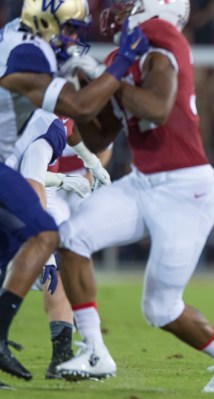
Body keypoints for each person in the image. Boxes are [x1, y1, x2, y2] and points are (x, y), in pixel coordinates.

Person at [55, 0, 214, 393]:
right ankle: (95, 350)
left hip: (185, 190)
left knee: (160, 309)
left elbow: (158, 108)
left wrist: (103, 73)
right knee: (70, 237)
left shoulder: (162, 37)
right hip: (142, 181)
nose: (115, 8)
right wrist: (79, 88)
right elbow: (99, 137)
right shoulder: (122, 54)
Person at [0, 0, 148, 381]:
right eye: (67, 30)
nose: (72, 40)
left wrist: (90, 161)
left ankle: (52, 350)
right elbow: (78, 107)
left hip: (17, 167)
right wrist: (120, 64)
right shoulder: (30, 54)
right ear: (45, 21)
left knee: (15, 252)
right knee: (47, 237)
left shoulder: (22, 40)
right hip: (13, 169)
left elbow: (68, 125)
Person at [1, 111, 111, 381]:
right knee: (49, 260)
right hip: (16, 190)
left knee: (59, 264)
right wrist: (44, 250)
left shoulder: (48, 115)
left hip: (15, 187)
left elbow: (68, 127)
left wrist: (90, 161)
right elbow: (32, 179)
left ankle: (61, 354)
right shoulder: (41, 128)